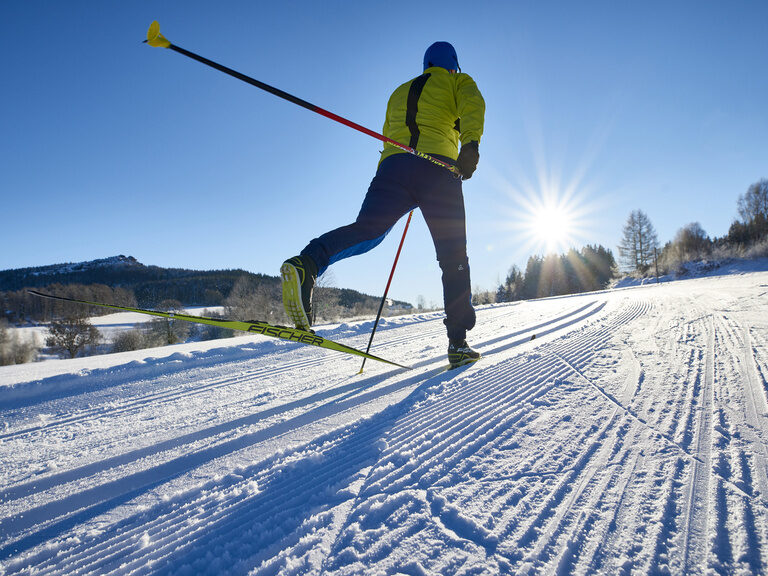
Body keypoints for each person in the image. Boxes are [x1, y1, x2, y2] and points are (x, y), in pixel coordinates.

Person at [281, 41, 485, 368]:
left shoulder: (399, 91)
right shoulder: (458, 81)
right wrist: (470, 145)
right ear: (453, 65)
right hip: (439, 171)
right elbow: (472, 107)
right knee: (453, 257)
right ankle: (458, 342)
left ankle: (309, 262)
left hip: (393, 169)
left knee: (369, 231)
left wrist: (404, 172)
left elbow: (395, 130)